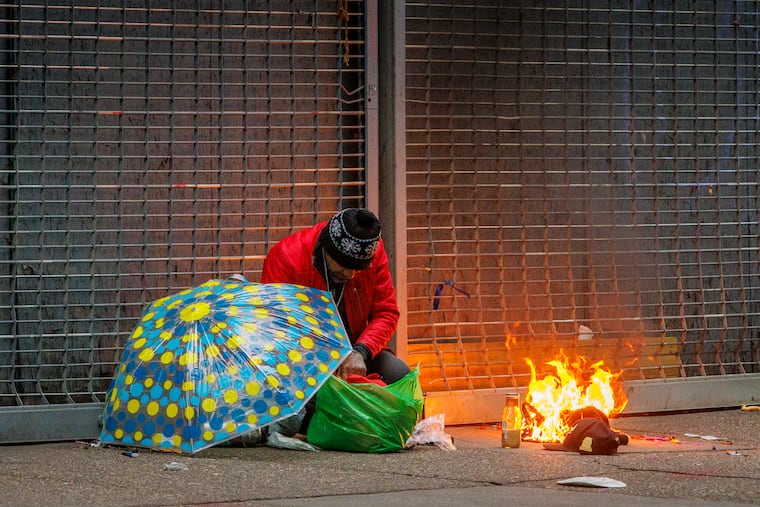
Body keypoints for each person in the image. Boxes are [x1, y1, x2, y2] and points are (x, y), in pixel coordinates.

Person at [260, 207, 410, 385]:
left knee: (399, 375)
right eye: (344, 265)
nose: (350, 274)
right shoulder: (286, 258)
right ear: (326, 249)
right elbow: (274, 326)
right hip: (303, 356)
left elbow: (386, 313)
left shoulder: (372, 252)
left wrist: (361, 351)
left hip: (355, 348)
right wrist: (324, 358)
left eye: (358, 268)